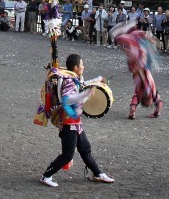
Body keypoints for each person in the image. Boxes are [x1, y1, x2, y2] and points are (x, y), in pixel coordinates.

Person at [39, 53, 114, 188]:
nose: (83, 67)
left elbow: (84, 85)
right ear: (75, 67)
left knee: (85, 149)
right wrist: (85, 94)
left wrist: (97, 80)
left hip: (75, 122)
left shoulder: (74, 78)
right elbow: (68, 99)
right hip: (68, 123)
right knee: (67, 155)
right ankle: (46, 176)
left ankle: (98, 173)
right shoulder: (68, 81)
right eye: (82, 65)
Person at [112, 24, 163, 120]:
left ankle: (124, 38)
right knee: (134, 52)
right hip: (140, 69)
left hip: (138, 69)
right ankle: (124, 37)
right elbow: (158, 103)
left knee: (133, 52)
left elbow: (157, 103)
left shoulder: (143, 93)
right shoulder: (152, 93)